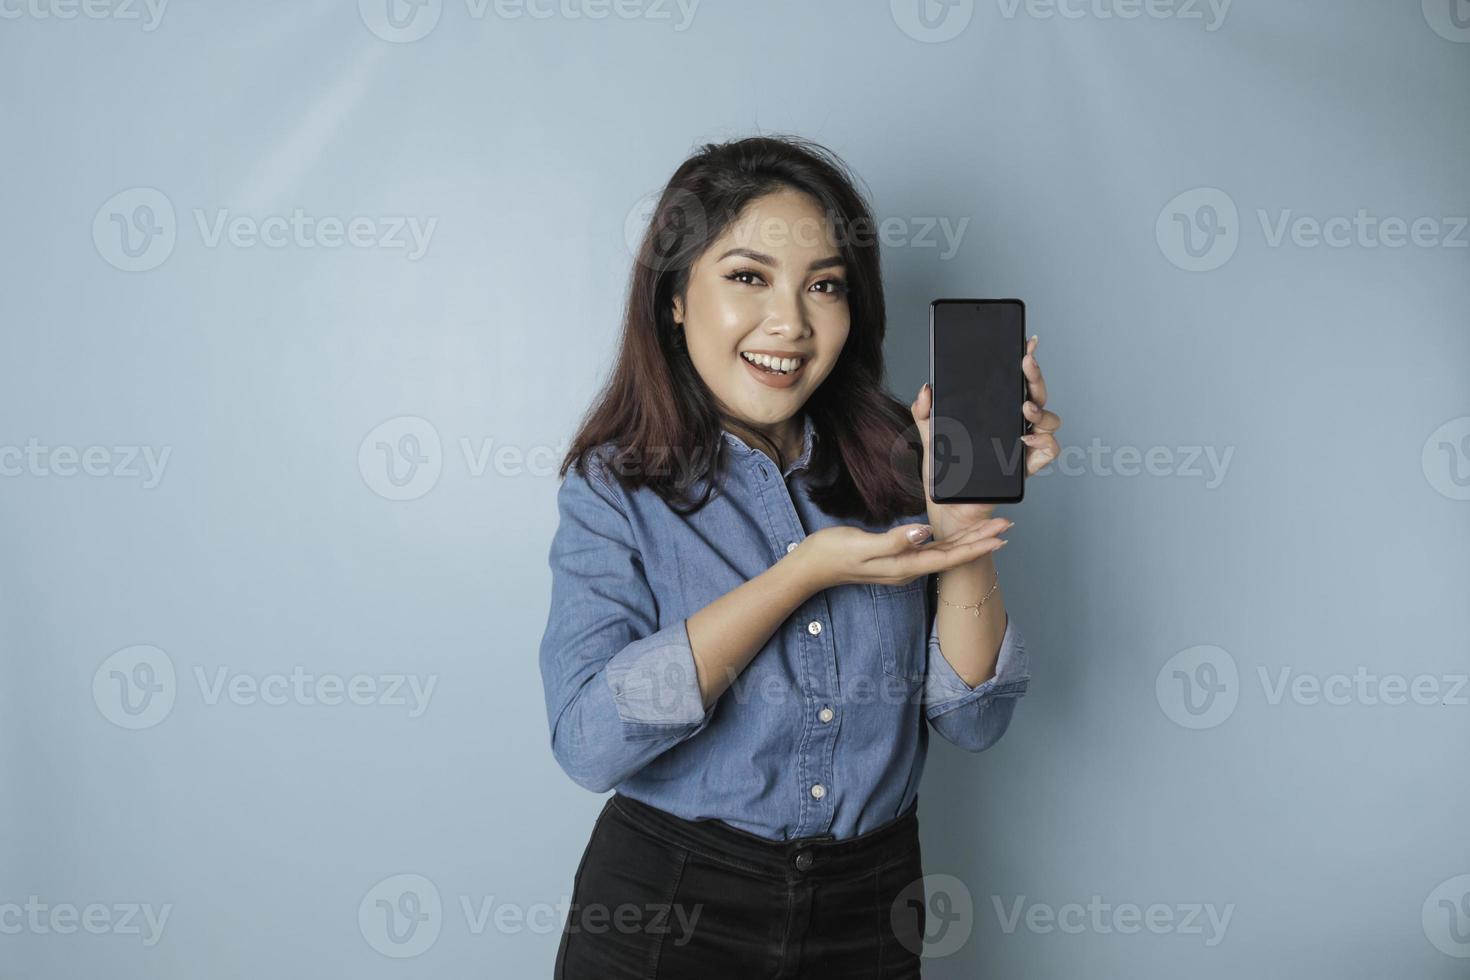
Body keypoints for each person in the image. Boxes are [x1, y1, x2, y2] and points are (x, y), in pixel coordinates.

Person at [539, 134, 1062, 978]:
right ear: (674, 297)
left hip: (874, 906)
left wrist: (960, 525)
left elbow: (976, 720)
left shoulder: (900, 457)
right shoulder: (614, 488)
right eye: (748, 277)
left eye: (824, 285)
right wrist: (799, 576)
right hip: (669, 906)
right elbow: (591, 745)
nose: (790, 322)